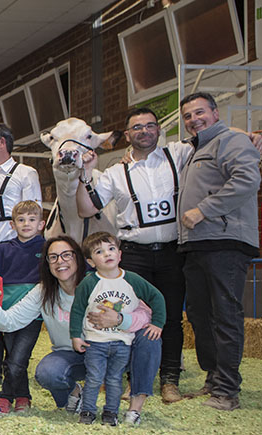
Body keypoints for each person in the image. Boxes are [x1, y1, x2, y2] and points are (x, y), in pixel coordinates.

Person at [74, 108, 190, 404]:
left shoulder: (178, 154)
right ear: (127, 135)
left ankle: (170, 379)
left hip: (172, 251)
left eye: (150, 125)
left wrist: (245, 137)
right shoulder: (115, 172)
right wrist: (85, 174)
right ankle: (133, 379)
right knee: (129, 314)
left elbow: (211, 137)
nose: (145, 131)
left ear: (159, 130)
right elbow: (86, 209)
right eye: (137, 127)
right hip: (135, 253)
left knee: (170, 317)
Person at [0, 235, 162, 425]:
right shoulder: (44, 291)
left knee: (149, 338)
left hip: (115, 350)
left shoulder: (100, 282)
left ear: (78, 258)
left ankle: (135, 409)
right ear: (47, 264)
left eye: (66, 255)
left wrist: (120, 319)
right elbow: (10, 322)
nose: (60, 261)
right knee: (48, 372)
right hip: (75, 355)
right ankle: (75, 393)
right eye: (53, 257)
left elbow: (146, 313)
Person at [176, 92, 262, 411]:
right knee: (200, 315)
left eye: (200, 112)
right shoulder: (194, 150)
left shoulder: (231, 141)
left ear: (215, 113)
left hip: (224, 241)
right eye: (188, 116)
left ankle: (227, 390)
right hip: (195, 243)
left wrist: (204, 210)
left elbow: (247, 180)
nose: (194, 119)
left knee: (225, 314)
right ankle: (214, 378)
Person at [69, 231, 166, 425]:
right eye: (99, 251)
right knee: (94, 378)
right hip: (95, 342)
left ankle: (111, 413)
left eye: (111, 249)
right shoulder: (89, 283)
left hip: (122, 342)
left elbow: (157, 297)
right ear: (91, 262)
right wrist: (75, 336)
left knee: (114, 379)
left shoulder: (132, 280)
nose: (107, 254)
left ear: (120, 254)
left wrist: (158, 323)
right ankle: (88, 411)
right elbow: (77, 310)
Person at [0, 200, 46, 413]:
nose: (26, 224)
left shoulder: (48, 249)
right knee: (14, 358)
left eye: (32, 219)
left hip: (34, 316)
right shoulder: (1, 250)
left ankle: (5, 395)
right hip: (8, 315)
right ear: (12, 225)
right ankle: (23, 396)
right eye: (21, 220)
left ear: (41, 224)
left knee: (17, 359)